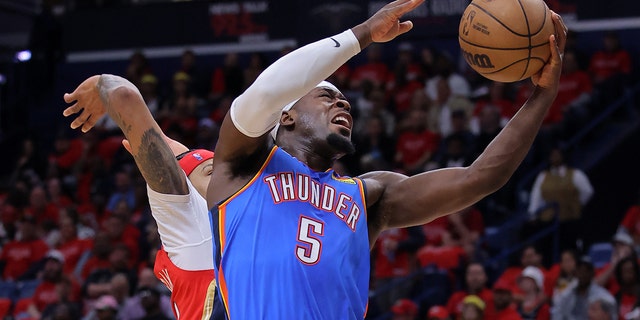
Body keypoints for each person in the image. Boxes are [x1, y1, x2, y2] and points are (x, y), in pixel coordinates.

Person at [203, 0, 567, 318]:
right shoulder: (244, 167)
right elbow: (267, 91)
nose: (342, 103)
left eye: (344, 100)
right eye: (326, 96)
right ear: (286, 117)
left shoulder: (369, 195)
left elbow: (480, 178)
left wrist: (543, 96)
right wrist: (362, 35)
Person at [63, 74, 218, 318]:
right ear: (187, 189)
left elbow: (173, 149)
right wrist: (101, 85)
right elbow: (126, 98)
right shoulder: (192, 223)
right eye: (211, 172)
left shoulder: (232, 220)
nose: (223, 178)